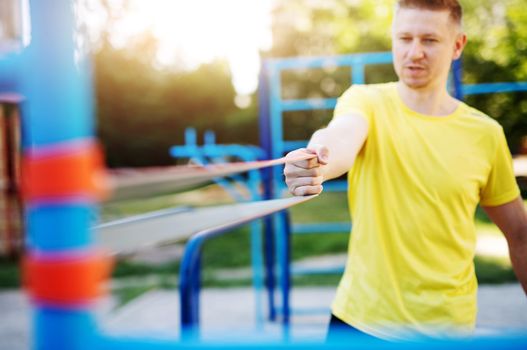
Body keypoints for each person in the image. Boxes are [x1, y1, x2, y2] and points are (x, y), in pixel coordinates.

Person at [283, 0, 527, 341]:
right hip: (360, 325)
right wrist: (316, 161)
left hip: (448, 331)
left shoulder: (486, 134)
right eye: (404, 38)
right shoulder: (365, 101)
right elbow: (340, 138)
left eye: (429, 40)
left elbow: (520, 235)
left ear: (457, 45)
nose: (414, 52)